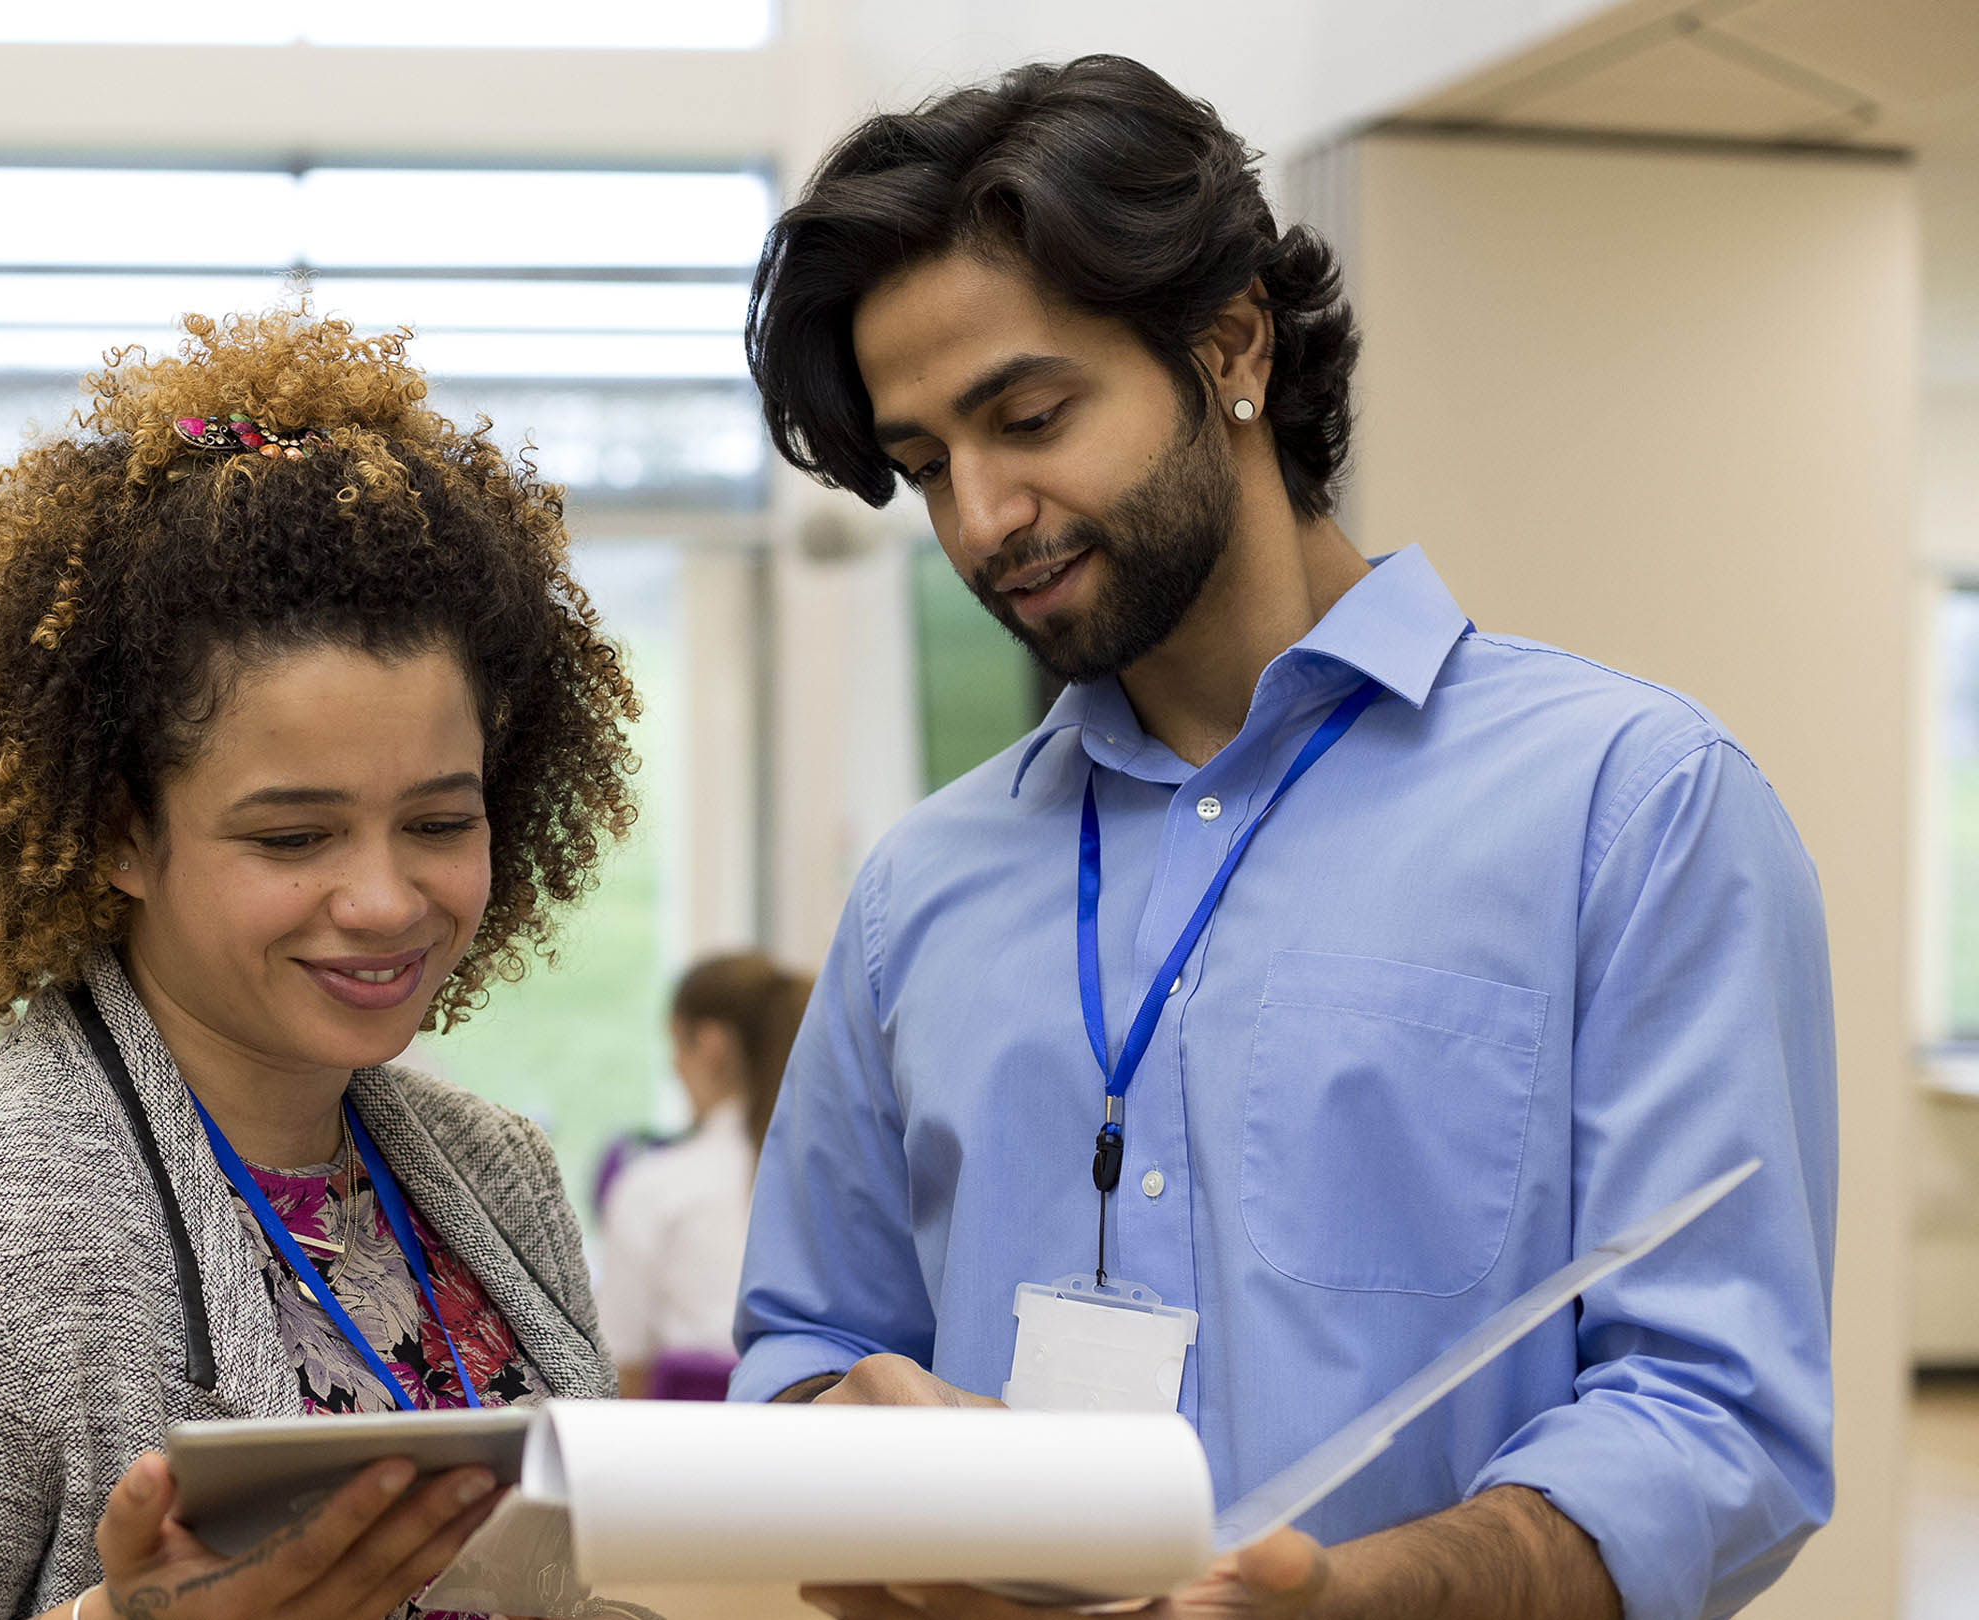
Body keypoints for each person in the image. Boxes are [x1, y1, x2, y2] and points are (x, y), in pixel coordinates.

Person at [732, 55, 1834, 1620]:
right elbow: (804, 1346)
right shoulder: (921, 888)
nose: (981, 519)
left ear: (1230, 344)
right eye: (926, 471)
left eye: (1029, 416)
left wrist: (1365, 1598)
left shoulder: (1633, 809)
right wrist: (837, 1451)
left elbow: (1720, 1422)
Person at [0, 309, 643, 1620]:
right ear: (119, 833)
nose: (384, 899)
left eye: (439, 822)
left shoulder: (498, 1178)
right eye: (293, 834)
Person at [595, 953, 811, 1395]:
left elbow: (622, 1374)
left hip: (686, 1453)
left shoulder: (655, 1186)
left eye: (675, 1045)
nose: (673, 1067)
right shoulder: (839, 1179)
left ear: (709, 1044)